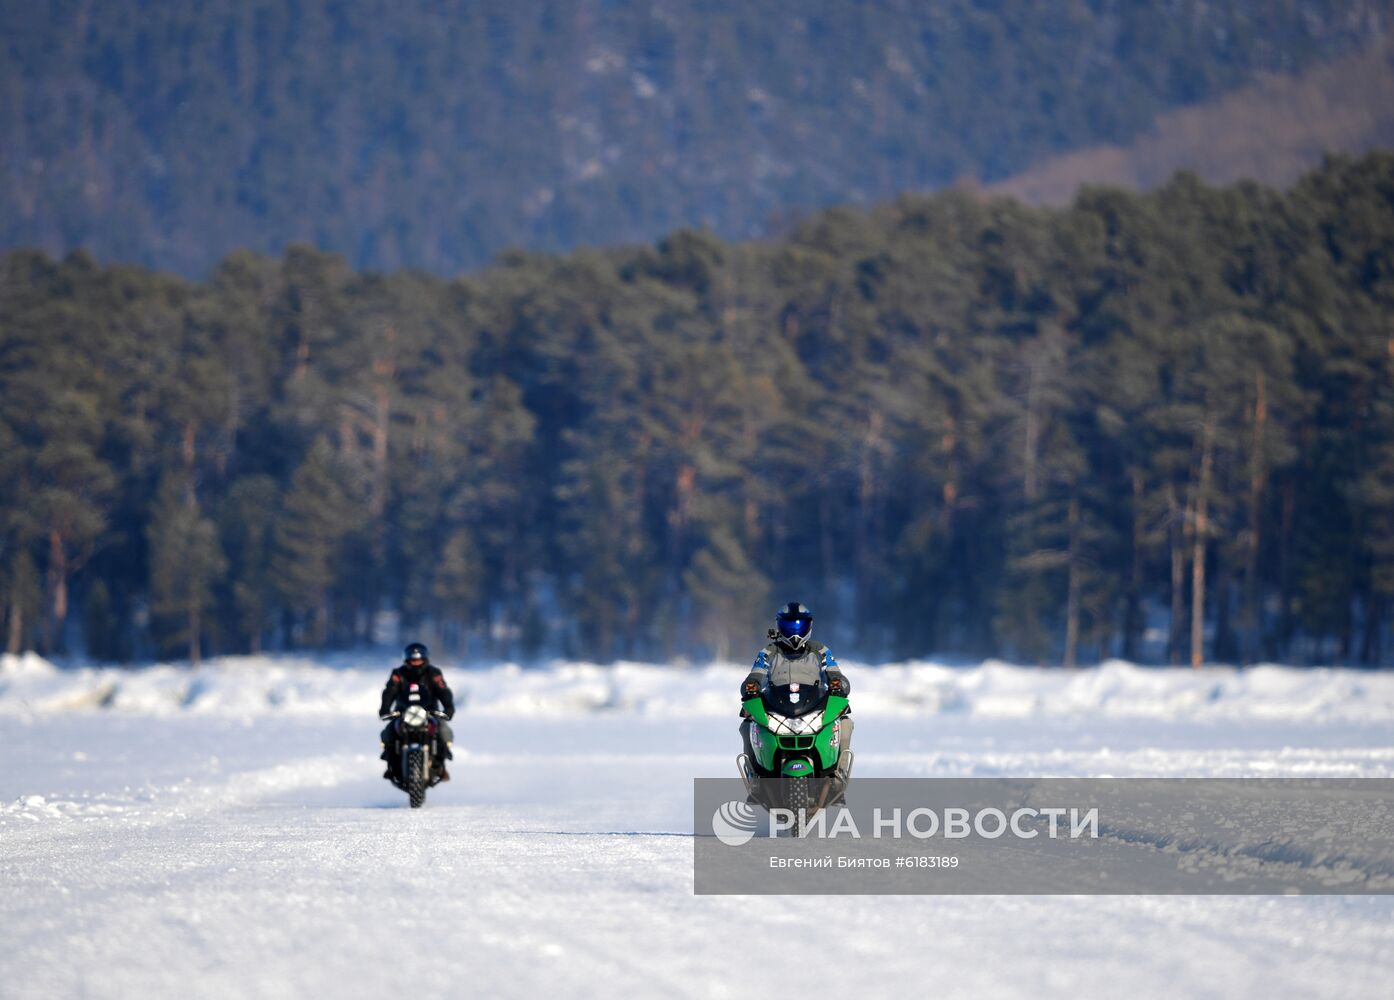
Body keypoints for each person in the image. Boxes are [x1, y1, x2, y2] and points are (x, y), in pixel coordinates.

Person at [739, 602, 853, 780]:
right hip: (777, 709)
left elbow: (836, 673)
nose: (794, 633)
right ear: (779, 626)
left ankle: (839, 772)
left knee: (845, 724)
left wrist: (839, 684)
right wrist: (751, 686)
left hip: (813, 707)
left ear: (809, 626)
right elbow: (755, 675)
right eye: (788, 626)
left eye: (799, 626)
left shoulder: (821, 651)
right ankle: (755, 775)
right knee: (748, 725)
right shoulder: (768, 652)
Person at [379, 642, 456, 782]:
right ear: (407, 660)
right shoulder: (398, 674)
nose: (416, 663)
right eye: (413, 660)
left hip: (429, 713)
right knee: (388, 733)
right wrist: (385, 708)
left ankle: (440, 764)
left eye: (418, 660)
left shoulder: (434, 673)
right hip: (403, 714)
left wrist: (448, 707)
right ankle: (392, 765)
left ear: (425, 660)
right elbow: (389, 691)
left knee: (444, 732)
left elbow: (443, 690)